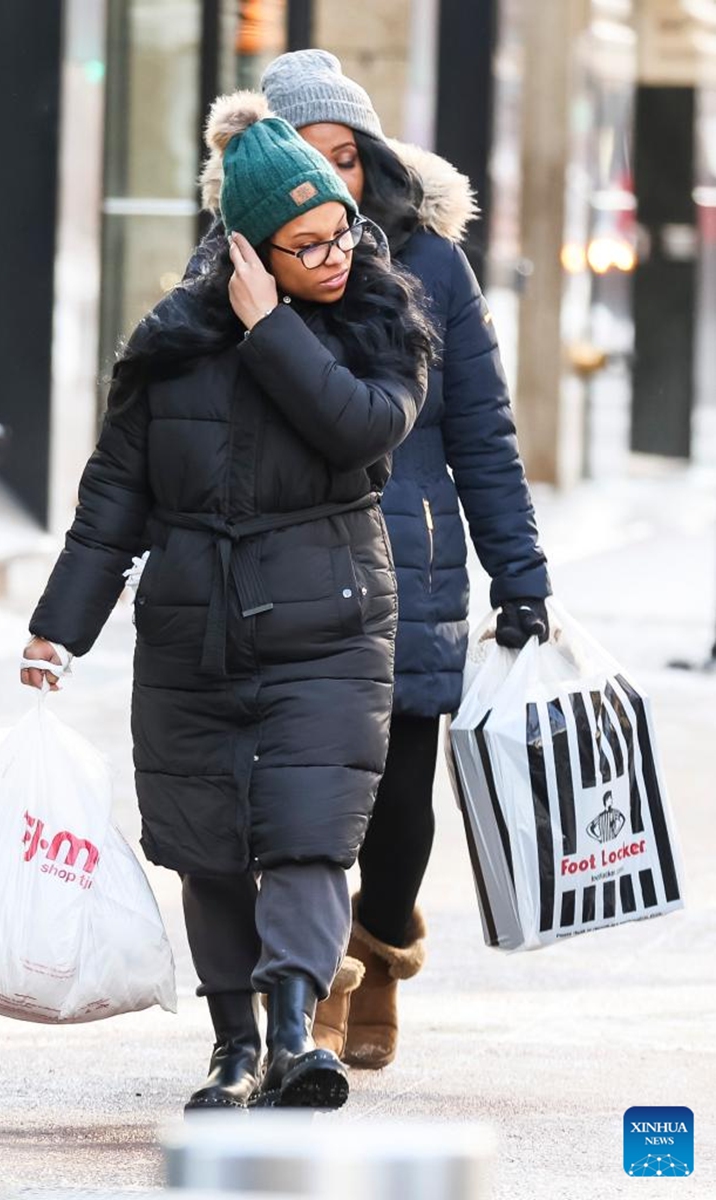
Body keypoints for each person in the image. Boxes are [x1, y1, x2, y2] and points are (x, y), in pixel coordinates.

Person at [21, 92, 433, 1112]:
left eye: (340, 232)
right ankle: (233, 1047)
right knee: (207, 846)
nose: (334, 257)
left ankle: (296, 1032)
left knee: (306, 835)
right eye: (306, 245)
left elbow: (361, 430)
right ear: (247, 249)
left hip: (329, 625)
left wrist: (272, 329)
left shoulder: (382, 323)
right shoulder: (170, 341)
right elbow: (112, 501)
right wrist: (58, 628)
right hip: (191, 629)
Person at [234, 49, 547, 1069]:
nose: (328, 178)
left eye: (344, 156)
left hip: (411, 568)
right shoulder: (240, 265)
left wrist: (522, 575)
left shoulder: (433, 265)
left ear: (370, 155)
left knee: (400, 806)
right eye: (304, 157)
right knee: (297, 798)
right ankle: (316, 985)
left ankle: (380, 948)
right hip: (283, 570)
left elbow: (483, 433)